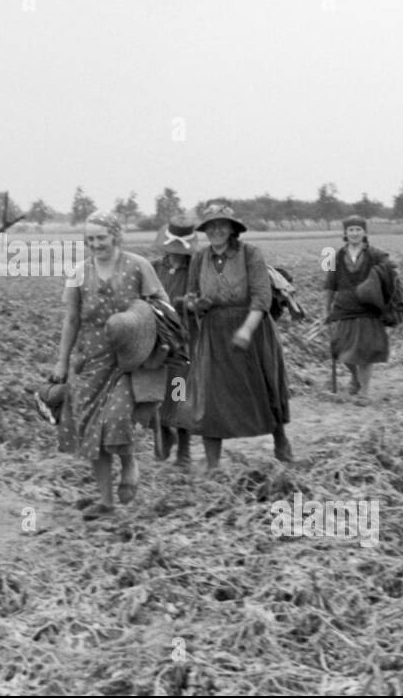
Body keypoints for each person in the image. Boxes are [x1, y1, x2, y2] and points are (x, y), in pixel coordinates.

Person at [51, 212, 169, 519]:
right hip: (89, 360)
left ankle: (129, 463)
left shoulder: (138, 266)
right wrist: (62, 361)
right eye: (90, 239)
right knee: (91, 433)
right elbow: (72, 319)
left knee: (116, 419)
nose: (95, 244)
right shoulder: (79, 272)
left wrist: (147, 336)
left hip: (128, 359)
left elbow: (162, 308)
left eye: (101, 237)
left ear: (115, 235)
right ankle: (106, 501)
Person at [176, 204, 293, 476]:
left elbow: (262, 297)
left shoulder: (249, 254)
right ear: (205, 230)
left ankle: (281, 445)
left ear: (232, 229)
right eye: (211, 226)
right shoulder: (199, 258)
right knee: (210, 395)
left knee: (263, 388)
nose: (216, 230)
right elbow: (190, 295)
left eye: (222, 225)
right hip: (214, 333)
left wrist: (246, 330)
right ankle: (214, 465)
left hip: (251, 328)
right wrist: (195, 305)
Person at [148, 215, 197, 470]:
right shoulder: (155, 269)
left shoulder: (195, 272)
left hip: (183, 345)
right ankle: (165, 432)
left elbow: (202, 302)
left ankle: (185, 452)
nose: (176, 254)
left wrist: (188, 304)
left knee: (179, 396)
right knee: (155, 394)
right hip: (156, 344)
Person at [325, 215, 391, 397]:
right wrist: (327, 309)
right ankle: (355, 377)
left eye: (358, 229)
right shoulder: (332, 255)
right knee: (342, 351)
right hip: (343, 308)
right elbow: (330, 284)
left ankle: (365, 391)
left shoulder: (376, 254)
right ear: (345, 233)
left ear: (365, 232)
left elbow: (390, 274)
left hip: (368, 309)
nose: (354, 233)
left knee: (365, 353)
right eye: (351, 230)